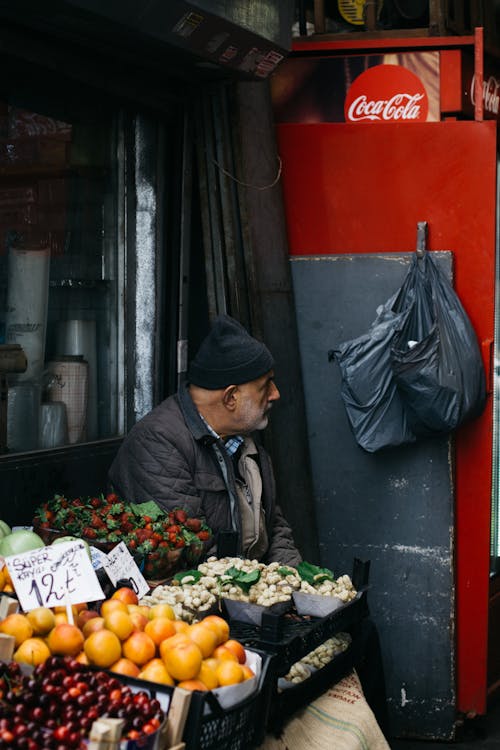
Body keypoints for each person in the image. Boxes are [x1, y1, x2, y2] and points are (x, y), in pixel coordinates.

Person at [108, 313, 302, 567]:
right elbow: (196, 553)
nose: (276, 394)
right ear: (231, 397)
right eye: (266, 386)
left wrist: (296, 585)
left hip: (247, 592)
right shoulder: (158, 445)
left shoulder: (244, 441)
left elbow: (274, 527)